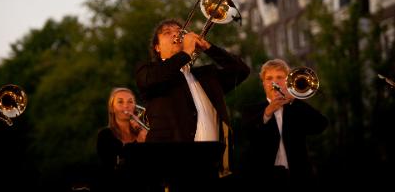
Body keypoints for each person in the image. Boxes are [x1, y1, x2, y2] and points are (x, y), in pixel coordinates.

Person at [135, 18, 250, 189]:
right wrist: (185, 53)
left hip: (214, 165)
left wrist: (208, 48)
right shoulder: (148, 72)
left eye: (179, 30)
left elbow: (241, 70)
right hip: (175, 167)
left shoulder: (206, 76)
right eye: (167, 33)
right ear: (157, 48)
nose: (176, 33)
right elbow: (152, 79)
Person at [241, 59, 328, 187]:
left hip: (299, 178)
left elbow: (321, 125)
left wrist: (294, 99)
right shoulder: (251, 110)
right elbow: (247, 133)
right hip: (264, 179)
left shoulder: (296, 107)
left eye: (279, 77)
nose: (274, 82)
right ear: (263, 83)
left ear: (288, 81)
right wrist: (268, 111)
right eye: (269, 78)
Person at [96, 87, 148, 190]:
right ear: (112, 108)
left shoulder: (143, 132)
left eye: (130, 102)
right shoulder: (105, 135)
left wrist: (147, 139)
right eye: (120, 102)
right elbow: (112, 169)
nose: (126, 106)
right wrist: (138, 144)